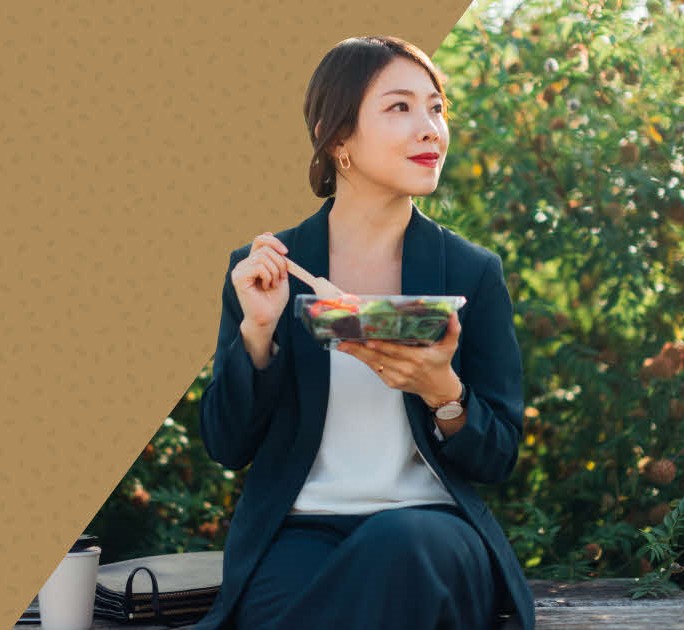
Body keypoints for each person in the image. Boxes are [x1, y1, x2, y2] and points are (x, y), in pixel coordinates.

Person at [195, 35, 535, 630]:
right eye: (400, 107)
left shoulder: (470, 272)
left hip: (432, 530)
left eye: (436, 107)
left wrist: (443, 392)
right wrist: (258, 332)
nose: (431, 127)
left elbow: (498, 455)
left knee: (399, 547)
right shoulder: (271, 268)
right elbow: (227, 446)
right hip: (298, 533)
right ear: (339, 137)